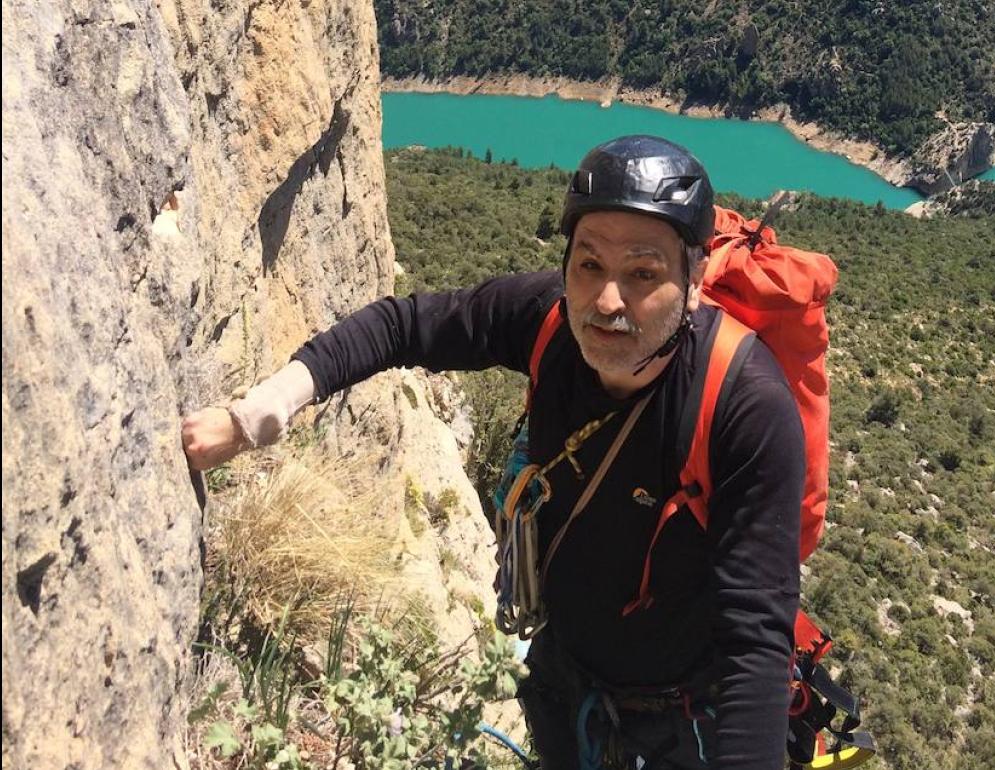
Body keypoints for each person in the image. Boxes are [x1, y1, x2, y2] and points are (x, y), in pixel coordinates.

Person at [182, 135, 804, 769]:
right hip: (565, 680)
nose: (609, 300)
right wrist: (260, 412)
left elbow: (753, 642)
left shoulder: (744, 408)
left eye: (644, 273)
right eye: (589, 265)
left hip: (679, 719)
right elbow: (404, 326)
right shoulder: (548, 320)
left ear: (694, 277)